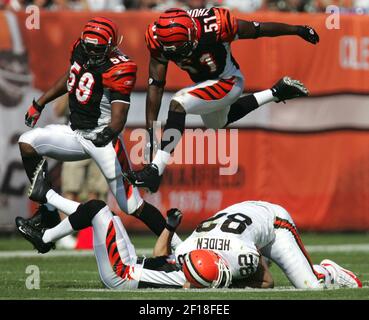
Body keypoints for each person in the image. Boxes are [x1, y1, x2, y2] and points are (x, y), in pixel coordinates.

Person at [17, 166, 362, 290]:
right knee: (310, 288)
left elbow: (261, 274)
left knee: (98, 209)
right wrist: (241, 279)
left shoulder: (190, 257)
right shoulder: (196, 258)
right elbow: (265, 279)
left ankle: (46, 206)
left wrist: (168, 228)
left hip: (269, 223)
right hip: (258, 222)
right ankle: (46, 210)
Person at [17, 17, 181, 248]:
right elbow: (71, 76)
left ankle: (179, 245)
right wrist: (39, 103)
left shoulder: (120, 67)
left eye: (98, 49)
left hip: (103, 139)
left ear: (112, 46)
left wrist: (108, 134)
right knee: (27, 142)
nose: (93, 53)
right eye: (90, 48)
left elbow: (119, 118)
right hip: (74, 134)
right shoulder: (80, 48)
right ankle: (50, 209)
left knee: (132, 206)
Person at [124, 7, 319, 193]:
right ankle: (277, 91)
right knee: (218, 123)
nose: (176, 55)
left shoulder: (216, 25)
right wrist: (150, 132)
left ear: (192, 33)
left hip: (228, 81)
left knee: (179, 102)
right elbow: (156, 85)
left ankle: (155, 171)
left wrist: (297, 30)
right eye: (172, 51)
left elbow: (258, 29)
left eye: (180, 48)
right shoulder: (158, 38)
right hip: (206, 84)